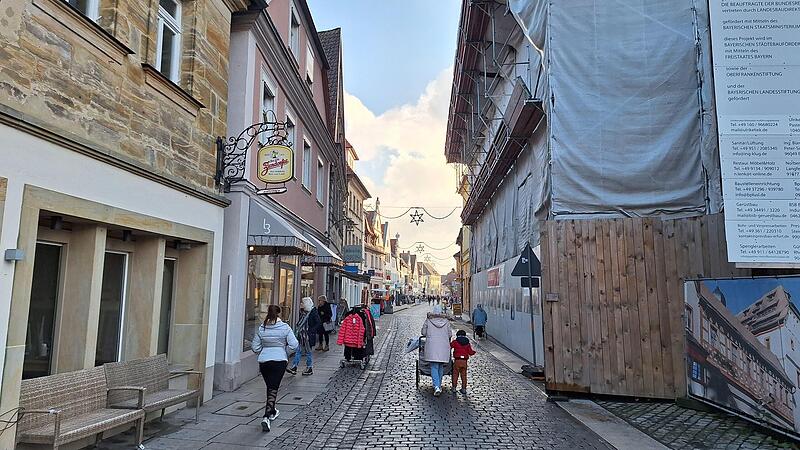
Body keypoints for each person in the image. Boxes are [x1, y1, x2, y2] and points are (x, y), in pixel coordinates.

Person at [251, 305, 299, 432]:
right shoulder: (285, 327)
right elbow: (294, 344)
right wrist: (285, 352)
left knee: (271, 387)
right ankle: (266, 416)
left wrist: (264, 351)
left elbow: (255, 347)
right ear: (279, 314)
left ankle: (272, 410)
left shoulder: (262, 328)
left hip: (264, 362)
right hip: (279, 361)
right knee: (273, 388)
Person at [421, 305, 452, 397]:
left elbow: (423, 333)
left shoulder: (428, 320)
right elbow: (449, 334)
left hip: (432, 347)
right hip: (443, 347)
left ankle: (437, 386)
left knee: (434, 366)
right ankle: (438, 385)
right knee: (440, 366)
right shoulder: (446, 321)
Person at [287, 297, 320, 376]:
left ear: (306, 304)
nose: (301, 304)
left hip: (308, 336)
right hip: (301, 335)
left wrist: (311, 331)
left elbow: (318, 323)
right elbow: (300, 323)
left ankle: (309, 367)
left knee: (308, 352)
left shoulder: (313, 312)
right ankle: (294, 367)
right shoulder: (303, 312)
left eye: (302, 303)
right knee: (298, 351)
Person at [450, 330, 476, 395]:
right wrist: (473, 352)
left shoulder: (455, 342)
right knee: (464, 375)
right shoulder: (467, 343)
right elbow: (470, 352)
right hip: (464, 361)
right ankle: (464, 389)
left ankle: (454, 388)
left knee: (455, 374)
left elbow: (450, 346)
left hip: (457, 360)